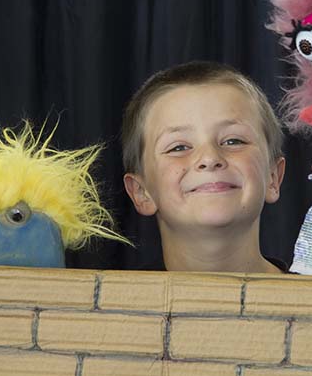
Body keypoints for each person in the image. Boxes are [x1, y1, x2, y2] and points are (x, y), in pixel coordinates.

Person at [122, 61, 286, 273]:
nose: (209, 158)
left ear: (273, 177)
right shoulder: (100, 295)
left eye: (233, 141)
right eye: (179, 147)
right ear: (141, 192)